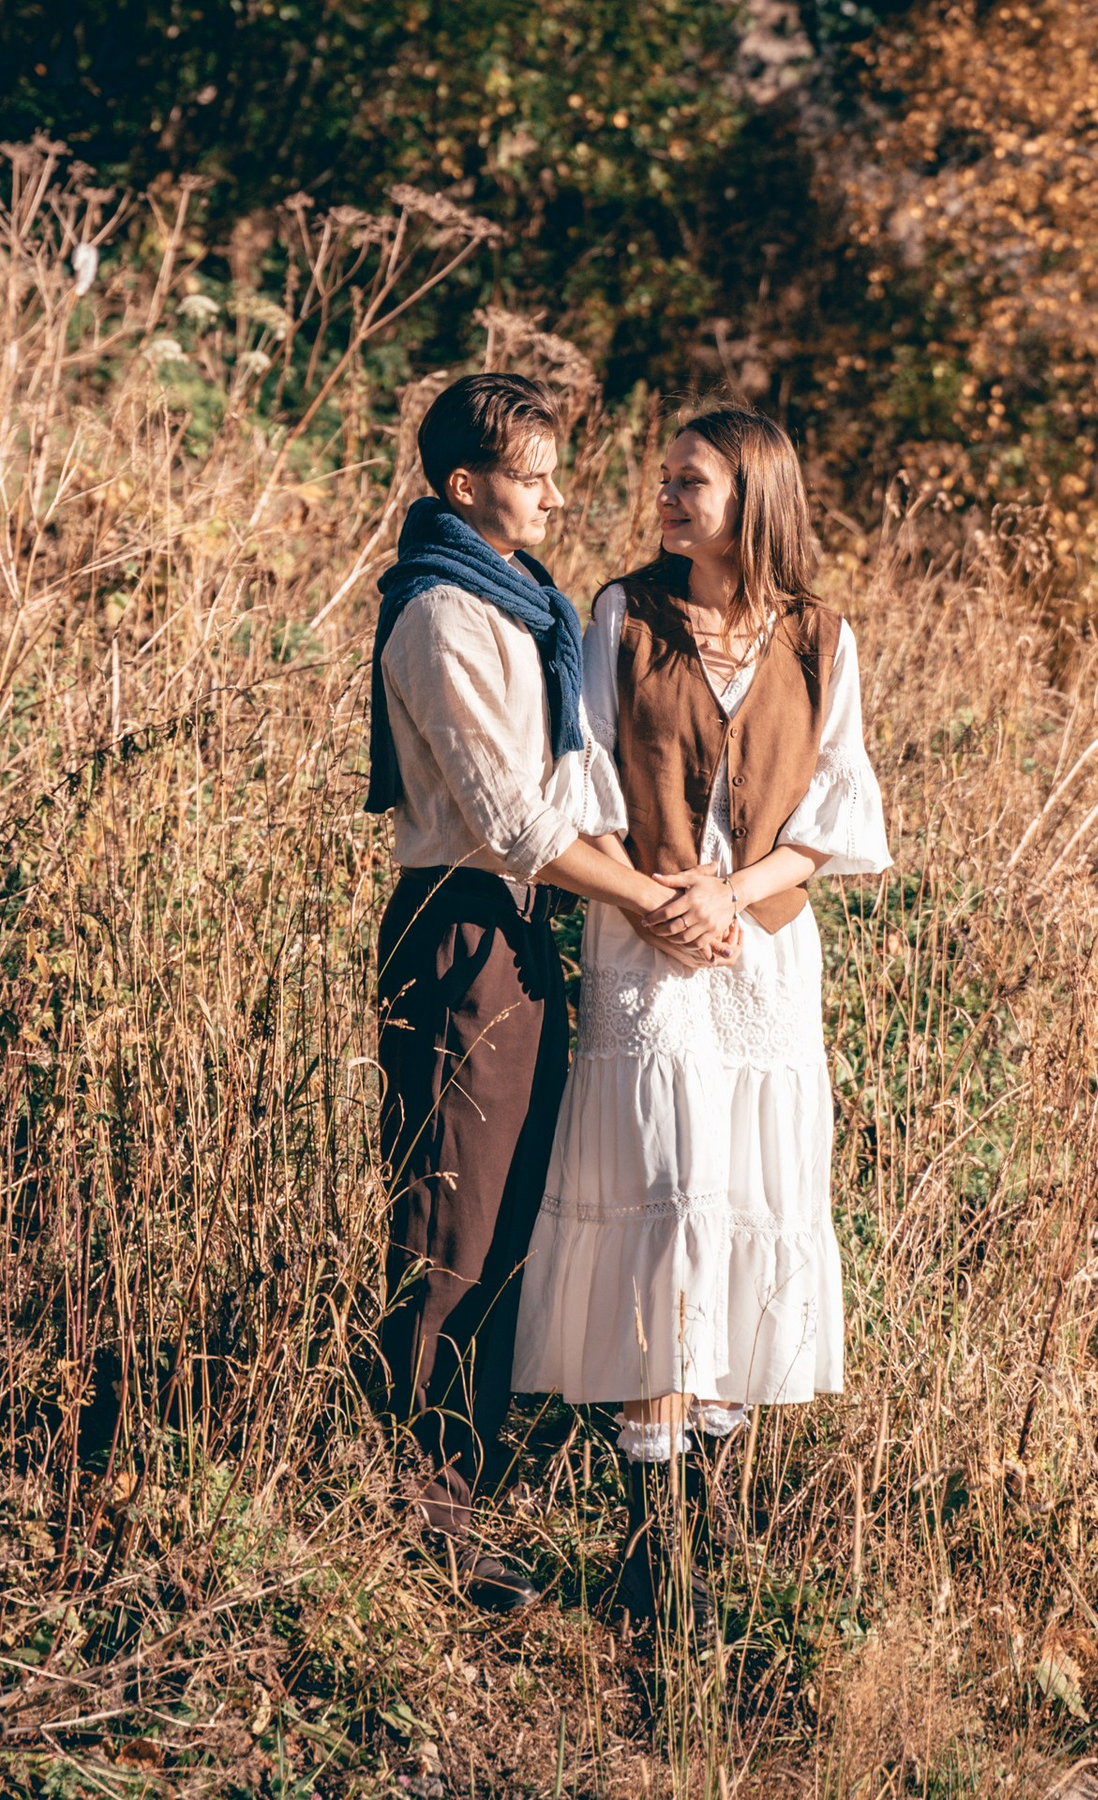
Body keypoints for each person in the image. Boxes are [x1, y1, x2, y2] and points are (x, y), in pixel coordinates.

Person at [513, 405, 891, 1638]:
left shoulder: (824, 638)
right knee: (671, 1208)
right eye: (665, 480)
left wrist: (733, 895)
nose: (665, 497)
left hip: (765, 962)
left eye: (690, 482)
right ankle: (650, 1555)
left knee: (741, 1215)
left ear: (754, 497)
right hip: (644, 952)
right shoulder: (620, 612)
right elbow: (582, 771)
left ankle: (701, 1544)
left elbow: (834, 822)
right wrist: (665, 899)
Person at [367, 371, 710, 1610]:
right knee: (449, 1226)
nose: (556, 496)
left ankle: (468, 1488)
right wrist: (642, 900)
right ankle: (421, 1518)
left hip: (521, 933)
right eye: (532, 477)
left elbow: (568, 802)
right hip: (462, 928)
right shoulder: (443, 619)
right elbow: (511, 820)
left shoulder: (524, 611)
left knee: (509, 1220)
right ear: (466, 488)